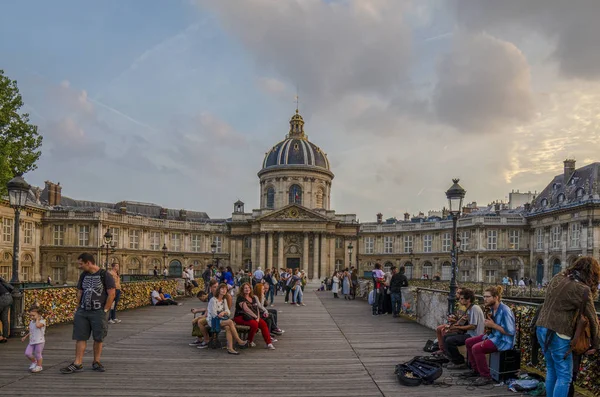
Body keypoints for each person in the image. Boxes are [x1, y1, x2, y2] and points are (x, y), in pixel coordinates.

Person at [536, 256, 600, 397]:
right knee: (564, 376)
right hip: (559, 331)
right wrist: (596, 344)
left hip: (541, 327)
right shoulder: (582, 289)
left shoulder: (557, 277)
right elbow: (593, 319)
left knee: (551, 370)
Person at [60, 253, 116, 374]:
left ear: (88, 263)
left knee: (98, 337)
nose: (79, 266)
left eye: (81, 264)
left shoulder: (104, 275)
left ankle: (96, 361)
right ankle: (77, 363)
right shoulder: (83, 275)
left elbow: (112, 293)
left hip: (98, 311)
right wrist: (78, 307)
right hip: (83, 310)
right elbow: (80, 291)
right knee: (80, 337)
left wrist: (105, 310)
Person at [464, 286, 515, 386]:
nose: (485, 299)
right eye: (484, 296)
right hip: (493, 335)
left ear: (496, 297)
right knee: (468, 342)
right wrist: (489, 327)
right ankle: (476, 370)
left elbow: (511, 332)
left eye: (488, 297)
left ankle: (486, 376)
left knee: (476, 348)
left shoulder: (505, 311)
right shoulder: (492, 309)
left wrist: (493, 325)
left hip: (503, 341)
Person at [444, 288, 485, 369]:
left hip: (475, 335)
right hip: (469, 333)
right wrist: (456, 325)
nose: (460, 300)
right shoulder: (469, 309)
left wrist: (459, 327)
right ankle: (453, 360)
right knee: (446, 337)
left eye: (462, 298)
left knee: (450, 340)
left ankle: (459, 362)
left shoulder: (474, 308)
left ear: (468, 299)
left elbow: (473, 326)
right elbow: (463, 322)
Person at [207, 283, 248, 355]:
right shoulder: (213, 300)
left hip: (222, 320)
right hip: (213, 321)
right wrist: (223, 314)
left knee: (228, 327)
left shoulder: (224, 300)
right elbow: (213, 315)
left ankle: (230, 348)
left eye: (225, 289)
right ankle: (239, 340)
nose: (224, 290)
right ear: (218, 290)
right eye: (222, 288)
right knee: (230, 322)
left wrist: (223, 313)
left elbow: (228, 312)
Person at [234, 283, 275, 350]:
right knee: (255, 324)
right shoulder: (240, 298)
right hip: (241, 317)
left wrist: (258, 317)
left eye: (248, 288)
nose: (247, 289)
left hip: (252, 316)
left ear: (250, 289)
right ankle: (249, 341)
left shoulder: (253, 297)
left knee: (263, 324)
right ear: (242, 290)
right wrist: (256, 317)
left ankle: (269, 343)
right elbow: (246, 309)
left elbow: (257, 308)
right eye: (245, 288)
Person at [21, 306, 46, 373]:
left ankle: (39, 366)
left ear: (39, 314)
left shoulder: (42, 321)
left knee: (38, 354)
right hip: (32, 341)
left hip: (39, 341)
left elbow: (38, 326)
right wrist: (25, 336)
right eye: (30, 315)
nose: (31, 317)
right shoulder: (32, 322)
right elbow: (31, 331)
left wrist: (38, 319)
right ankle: (34, 361)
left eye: (33, 315)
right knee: (27, 353)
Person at [0, 276, 14, 344]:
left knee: (4, 318)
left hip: (2, 298)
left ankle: (0, 336)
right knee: (4, 318)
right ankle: (5, 336)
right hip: (9, 297)